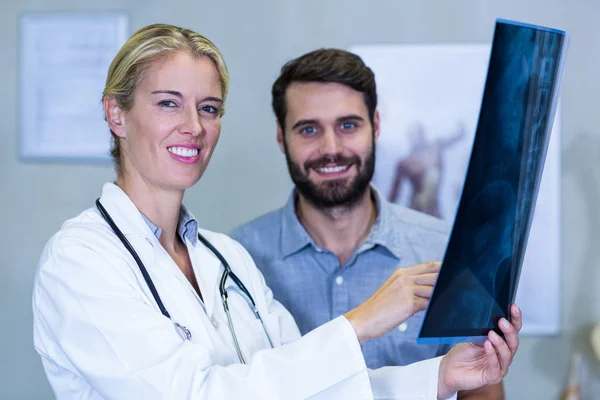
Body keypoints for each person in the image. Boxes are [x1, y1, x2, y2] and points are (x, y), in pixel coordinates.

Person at [32, 24, 521, 400]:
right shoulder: (79, 261)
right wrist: (363, 321)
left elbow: (308, 388)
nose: (193, 127)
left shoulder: (225, 257)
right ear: (116, 113)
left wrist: (441, 375)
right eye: (168, 103)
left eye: (209, 108)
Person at [231, 48, 505, 398]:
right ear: (282, 138)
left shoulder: (448, 250)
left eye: (348, 125)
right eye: (308, 129)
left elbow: (482, 390)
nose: (331, 148)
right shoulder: (236, 261)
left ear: (375, 126)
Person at [388, 120, 466, 218]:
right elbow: (394, 192)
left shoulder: (435, 147)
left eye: (417, 134)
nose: (416, 138)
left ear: (422, 134)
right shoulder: (405, 163)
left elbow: (454, 138)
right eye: (413, 135)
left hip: (432, 208)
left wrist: (461, 131)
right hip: (415, 208)